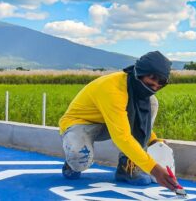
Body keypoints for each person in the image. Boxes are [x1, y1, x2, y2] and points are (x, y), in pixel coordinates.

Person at [58, 51, 178, 191]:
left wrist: (152, 140)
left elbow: (140, 122)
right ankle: (71, 163)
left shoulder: (137, 90)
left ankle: (126, 167)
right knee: (81, 159)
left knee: (151, 102)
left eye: (161, 83)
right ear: (139, 73)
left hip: (111, 123)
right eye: (151, 81)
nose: (155, 86)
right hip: (80, 123)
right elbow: (122, 136)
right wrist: (155, 170)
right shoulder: (113, 89)